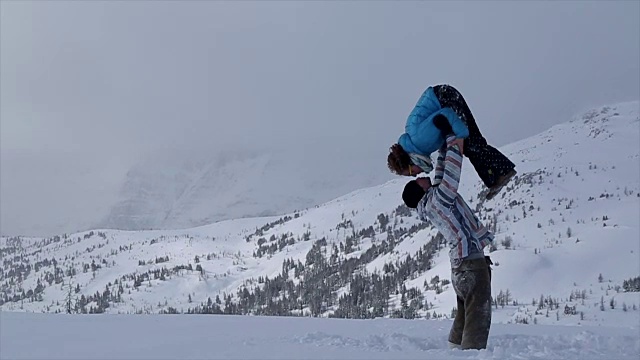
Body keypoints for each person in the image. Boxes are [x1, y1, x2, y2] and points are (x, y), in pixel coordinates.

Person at [402, 135, 494, 350]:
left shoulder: (431, 203)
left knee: (465, 310)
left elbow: (441, 173)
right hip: (470, 263)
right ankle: (472, 353)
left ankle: (454, 349)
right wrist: (454, 142)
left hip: (459, 266)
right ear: (421, 190)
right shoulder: (439, 199)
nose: (423, 177)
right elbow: (452, 172)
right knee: (479, 313)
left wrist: (444, 144)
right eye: (418, 181)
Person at [388, 84, 517, 200]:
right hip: (445, 97)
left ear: (410, 161)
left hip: (445, 98)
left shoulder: (419, 139)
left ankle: (500, 175)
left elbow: (444, 115)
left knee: (470, 145)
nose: (416, 175)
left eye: (411, 172)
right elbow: (441, 131)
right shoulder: (419, 147)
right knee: (473, 144)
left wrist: (460, 136)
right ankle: (501, 174)